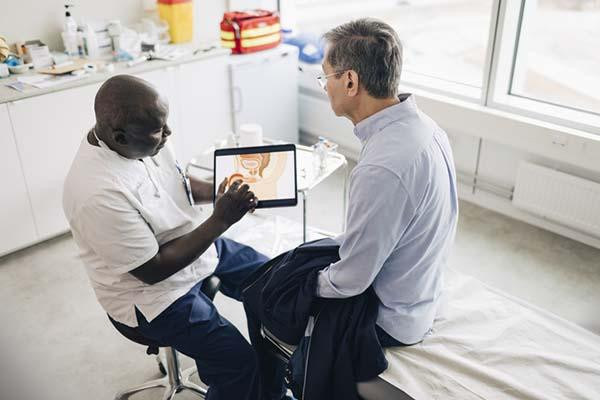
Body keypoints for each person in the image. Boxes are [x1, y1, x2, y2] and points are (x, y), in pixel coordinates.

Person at [252, 17, 459, 399]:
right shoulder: (425, 127)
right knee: (292, 264)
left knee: (265, 294)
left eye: (325, 77)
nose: (325, 86)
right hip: (421, 287)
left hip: (393, 318)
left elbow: (350, 281)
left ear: (350, 81)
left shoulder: (382, 167)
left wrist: (300, 284)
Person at [63, 74, 268, 400]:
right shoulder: (95, 192)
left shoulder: (143, 135)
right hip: (153, 298)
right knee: (238, 363)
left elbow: (176, 180)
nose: (168, 134)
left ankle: (272, 387)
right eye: (159, 130)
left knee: (273, 280)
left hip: (193, 247)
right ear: (120, 137)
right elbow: (152, 270)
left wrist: (220, 194)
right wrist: (221, 219)